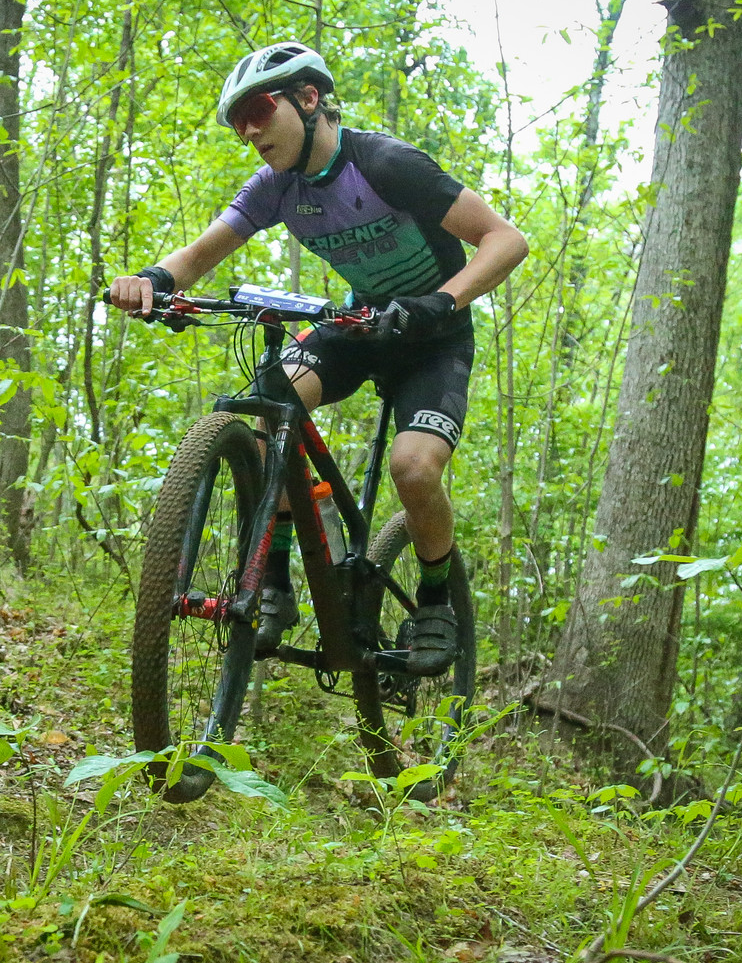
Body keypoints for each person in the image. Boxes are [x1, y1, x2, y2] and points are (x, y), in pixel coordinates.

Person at [107, 41, 527, 676]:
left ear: (308, 99)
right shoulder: (275, 187)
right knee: (268, 405)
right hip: (357, 326)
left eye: (258, 110)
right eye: (238, 122)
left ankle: (436, 600)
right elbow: (196, 256)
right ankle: (273, 581)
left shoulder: (386, 164)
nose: (249, 131)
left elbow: (505, 240)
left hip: (432, 339)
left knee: (413, 469)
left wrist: (439, 303)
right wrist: (149, 281)